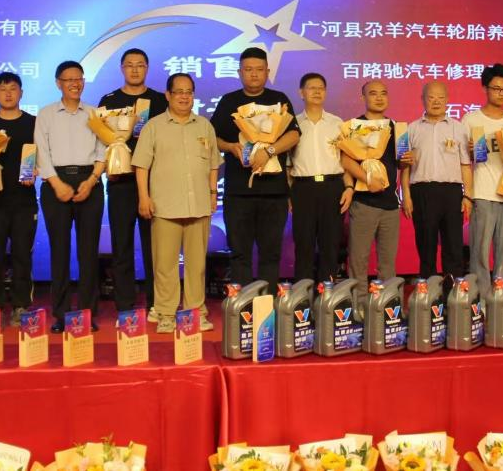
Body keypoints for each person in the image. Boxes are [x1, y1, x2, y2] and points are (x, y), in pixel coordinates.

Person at [133, 73, 221, 333]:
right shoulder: (154, 126)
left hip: (199, 205)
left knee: (197, 265)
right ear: (168, 95)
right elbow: (141, 165)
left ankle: (196, 311)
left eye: (189, 92)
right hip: (165, 206)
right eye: (179, 92)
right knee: (165, 265)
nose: (184, 97)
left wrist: (213, 194)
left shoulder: (204, 126)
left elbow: (213, 163)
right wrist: (144, 197)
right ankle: (166, 313)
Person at [210, 47, 300, 290]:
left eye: (259, 69)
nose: (254, 74)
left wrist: (270, 150)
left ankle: (266, 304)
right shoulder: (229, 101)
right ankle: (243, 305)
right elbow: (212, 137)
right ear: (240, 72)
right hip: (239, 192)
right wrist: (230, 147)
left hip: (274, 193)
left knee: (270, 252)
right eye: (248, 69)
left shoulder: (279, 99)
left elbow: (294, 134)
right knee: (239, 252)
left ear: (267, 72)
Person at [35, 61, 107, 333]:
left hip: (90, 182)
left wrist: (91, 181)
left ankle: (87, 313)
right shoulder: (46, 114)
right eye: (69, 80)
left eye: (79, 79)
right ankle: (61, 314)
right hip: (56, 183)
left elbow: (103, 149)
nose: (75, 84)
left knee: (89, 252)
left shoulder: (94, 113)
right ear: (58, 83)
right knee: (60, 251)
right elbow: (41, 151)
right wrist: (56, 184)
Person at [97, 48, 168, 317]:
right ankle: (125, 305)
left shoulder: (159, 100)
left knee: (155, 248)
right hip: (120, 183)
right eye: (129, 65)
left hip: (154, 183)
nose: (135, 69)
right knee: (122, 245)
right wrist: (106, 168)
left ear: (147, 68)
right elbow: (100, 139)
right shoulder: (110, 100)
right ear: (122, 69)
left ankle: (156, 303)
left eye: (140, 65)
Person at [0, 72, 38, 326]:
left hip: (25, 200)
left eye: (13, 88)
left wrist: (36, 170)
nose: (8, 94)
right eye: (2, 89)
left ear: (21, 92)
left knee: (22, 255)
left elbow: (43, 155)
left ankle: (21, 305)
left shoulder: (35, 123)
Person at [401, 81, 472, 279]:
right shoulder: (412, 129)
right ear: (423, 99)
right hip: (422, 192)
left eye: (441, 97)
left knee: (453, 246)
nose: (436, 101)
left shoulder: (459, 128)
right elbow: (405, 166)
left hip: (452, 192)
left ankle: (453, 292)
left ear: (447, 99)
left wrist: (468, 196)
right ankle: (429, 292)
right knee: (426, 246)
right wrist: (406, 195)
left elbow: (465, 165)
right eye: (431, 97)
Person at [461, 64, 503, 293]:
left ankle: (501, 295)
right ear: (485, 88)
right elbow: (462, 160)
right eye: (496, 88)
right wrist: (469, 151)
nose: (501, 93)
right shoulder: (471, 119)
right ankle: (481, 298)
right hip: (483, 192)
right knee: (480, 250)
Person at [289, 73, 354, 283]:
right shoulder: (292, 124)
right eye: (312, 88)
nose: (317, 92)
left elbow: (345, 159)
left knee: (330, 245)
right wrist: (288, 194)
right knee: (304, 245)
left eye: (321, 88)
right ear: (301, 92)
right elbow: (287, 165)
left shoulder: (337, 124)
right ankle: (303, 296)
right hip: (303, 188)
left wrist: (349, 188)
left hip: (332, 188)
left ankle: (327, 295)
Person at [341, 80, 401, 295]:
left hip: (391, 205)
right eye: (373, 93)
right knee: (358, 261)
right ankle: (357, 305)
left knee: (388, 264)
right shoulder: (354, 126)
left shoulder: (396, 127)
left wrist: (409, 158)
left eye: (383, 93)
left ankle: (387, 306)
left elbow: (401, 162)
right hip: (364, 203)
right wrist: (368, 179)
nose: (379, 97)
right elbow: (346, 160)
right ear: (363, 97)